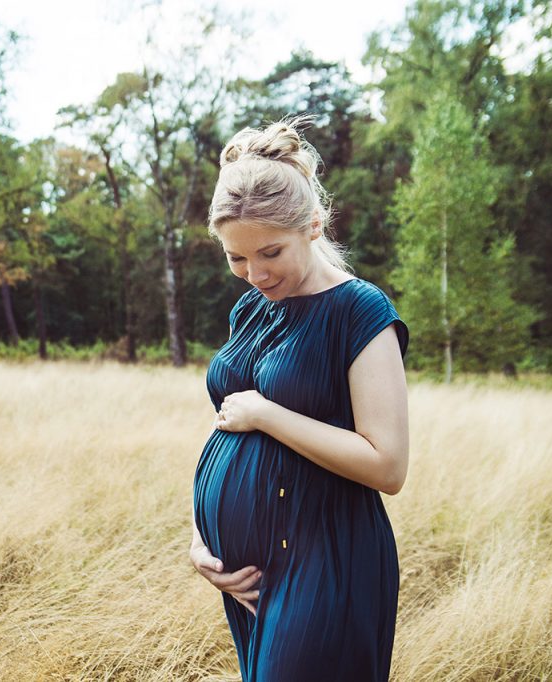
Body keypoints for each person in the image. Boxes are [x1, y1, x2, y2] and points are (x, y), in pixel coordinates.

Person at [189, 118, 410, 682]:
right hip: (253, 574)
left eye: (270, 252)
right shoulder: (252, 310)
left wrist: (267, 412)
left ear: (312, 225)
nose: (255, 274)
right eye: (237, 258)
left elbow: (387, 465)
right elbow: (226, 427)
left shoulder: (360, 312)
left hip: (328, 559)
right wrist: (202, 539)